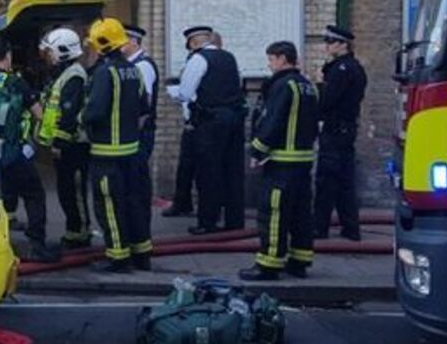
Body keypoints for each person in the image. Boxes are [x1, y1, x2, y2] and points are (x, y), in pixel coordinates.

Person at [0, 39, 58, 263]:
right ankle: (37, 245)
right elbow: (40, 114)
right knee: (34, 194)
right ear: (8, 56)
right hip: (11, 154)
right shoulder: (17, 84)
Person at [240, 41, 319, 281]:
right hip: (303, 161)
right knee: (301, 214)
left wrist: (257, 150)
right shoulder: (308, 86)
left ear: (283, 59)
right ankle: (299, 261)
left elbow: (273, 121)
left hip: (282, 162)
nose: (269, 64)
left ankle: (269, 264)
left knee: (273, 213)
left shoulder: (283, 86)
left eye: (272, 59)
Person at [81, 18, 147, 272]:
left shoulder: (104, 73)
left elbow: (94, 112)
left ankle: (118, 258)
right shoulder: (135, 70)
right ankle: (142, 254)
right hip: (132, 153)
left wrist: (81, 118)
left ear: (101, 44)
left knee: (109, 207)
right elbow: (144, 108)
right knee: (134, 205)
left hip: (106, 155)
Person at [167, 25, 246, 235]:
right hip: (234, 120)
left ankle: (207, 222)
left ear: (193, 43)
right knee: (233, 171)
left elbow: (185, 93)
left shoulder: (198, 59)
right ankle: (235, 220)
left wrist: (173, 90)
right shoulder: (229, 57)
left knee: (208, 173)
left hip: (210, 123)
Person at [35, 27, 91, 249]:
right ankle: (73, 230)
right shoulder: (65, 74)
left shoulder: (74, 76)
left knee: (74, 191)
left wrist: (59, 142)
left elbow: (69, 113)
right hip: (66, 144)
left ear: (63, 51)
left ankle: (80, 233)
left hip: (73, 146)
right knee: (66, 190)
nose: (48, 57)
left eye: (50, 52)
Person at [315, 24, 368, 242]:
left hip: (334, 130)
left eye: (330, 42)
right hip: (347, 129)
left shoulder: (341, 70)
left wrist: (320, 84)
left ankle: (319, 227)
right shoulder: (355, 67)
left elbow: (328, 101)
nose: (326, 47)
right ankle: (350, 227)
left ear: (342, 45)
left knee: (327, 181)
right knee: (345, 181)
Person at [123, 23, 157, 265]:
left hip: (139, 136)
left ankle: (140, 244)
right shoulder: (131, 66)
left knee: (136, 190)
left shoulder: (142, 67)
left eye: (122, 40)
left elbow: (141, 105)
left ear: (133, 41)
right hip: (134, 136)